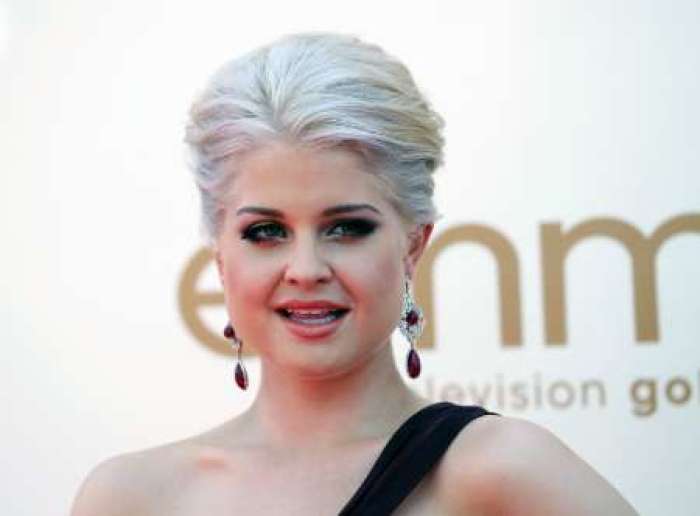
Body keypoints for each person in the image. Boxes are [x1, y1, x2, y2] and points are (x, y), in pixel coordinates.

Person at [71, 33, 638, 515]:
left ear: (413, 245)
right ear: (221, 257)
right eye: (266, 232)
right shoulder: (133, 497)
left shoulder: (500, 469)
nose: (306, 269)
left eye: (346, 228)